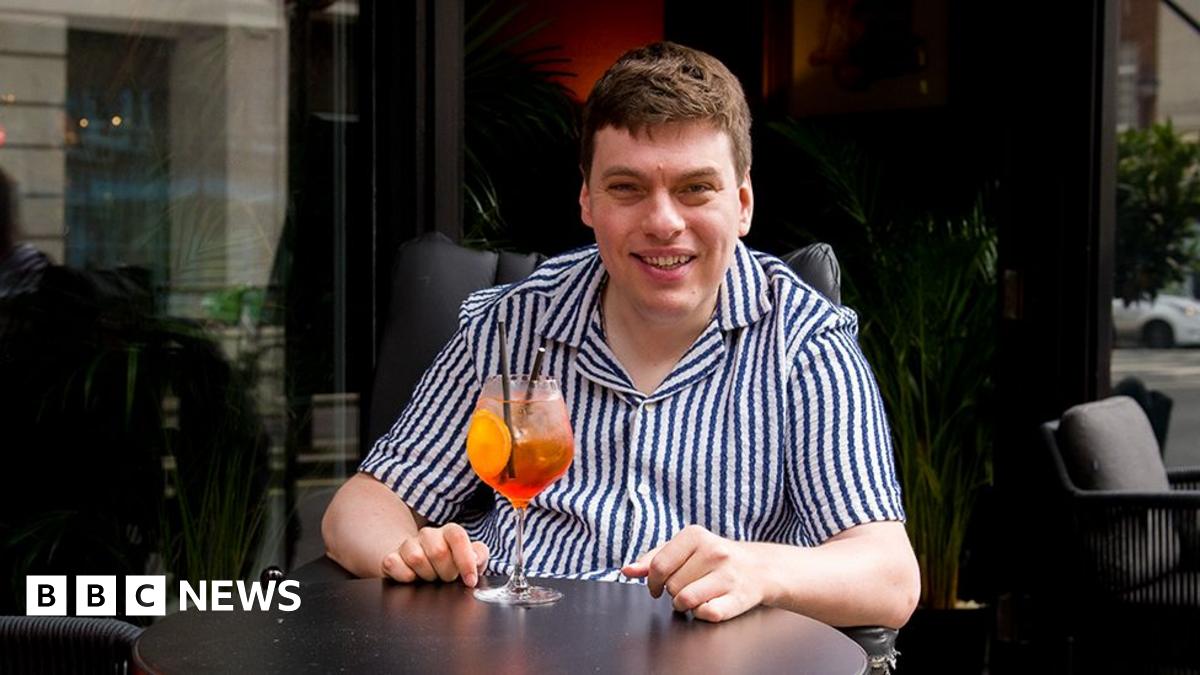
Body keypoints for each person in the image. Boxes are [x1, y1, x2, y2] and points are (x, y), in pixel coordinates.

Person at [323, 42, 920, 628]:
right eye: (627, 188)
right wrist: (409, 556)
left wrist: (761, 569)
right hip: (514, 650)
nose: (662, 222)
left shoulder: (803, 342)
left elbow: (889, 576)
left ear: (742, 203)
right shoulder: (512, 323)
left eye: (695, 188)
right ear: (588, 199)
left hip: (707, 658)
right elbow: (362, 506)